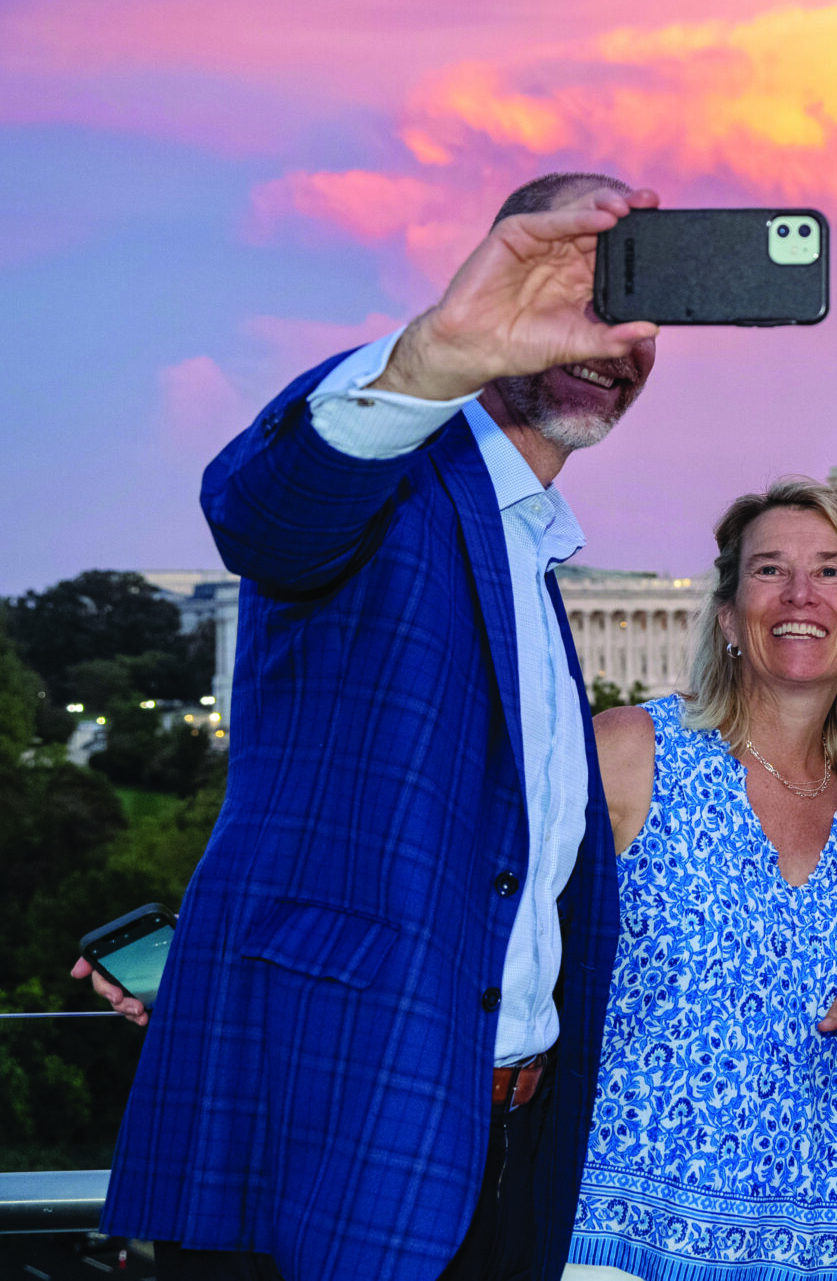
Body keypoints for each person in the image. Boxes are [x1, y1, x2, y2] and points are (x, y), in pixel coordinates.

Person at [79, 172, 664, 1281]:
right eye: (566, 286)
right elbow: (261, 515)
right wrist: (440, 354)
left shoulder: (533, 557)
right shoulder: (386, 461)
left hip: (501, 1146)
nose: (602, 332)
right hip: (345, 1127)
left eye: (629, 301)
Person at [563, 479, 837, 1281]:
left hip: (819, 1242)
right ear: (726, 617)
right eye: (769, 570)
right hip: (625, 1238)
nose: (798, 594)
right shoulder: (630, 752)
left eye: (829, 572)